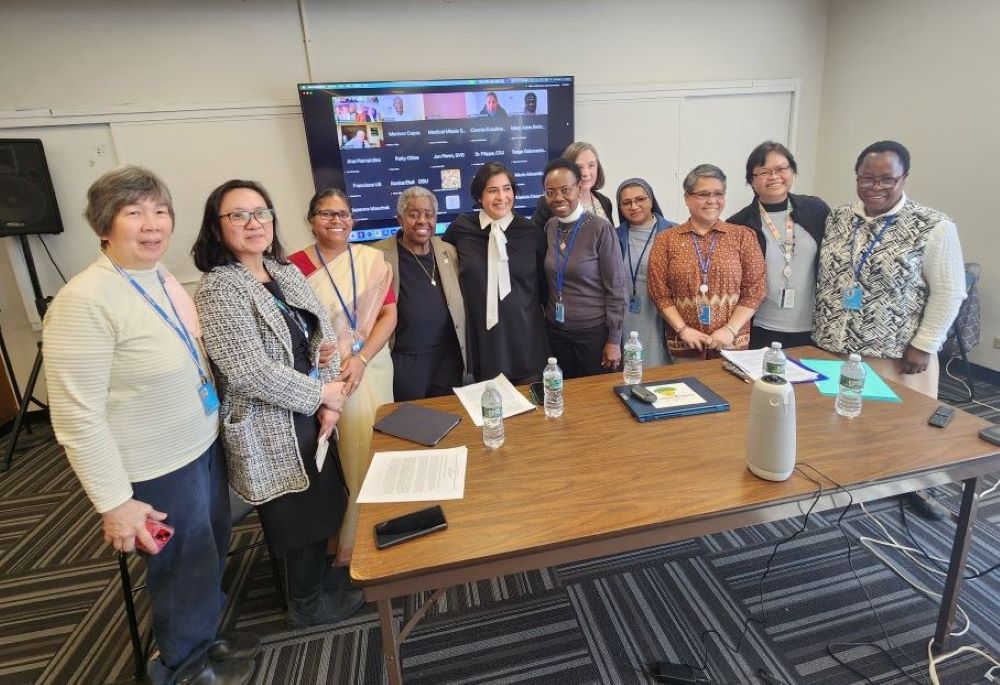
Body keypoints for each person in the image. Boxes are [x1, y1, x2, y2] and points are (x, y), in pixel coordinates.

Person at [44, 166, 258, 684]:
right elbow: (76, 416)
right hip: (156, 465)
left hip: (201, 445)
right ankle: (183, 668)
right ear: (104, 225)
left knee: (208, 547)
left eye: (160, 211)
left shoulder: (159, 277)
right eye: (134, 212)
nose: (152, 224)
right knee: (179, 565)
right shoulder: (84, 301)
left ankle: (205, 639)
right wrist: (114, 503)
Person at [192, 180, 364, 630]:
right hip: (271, 424)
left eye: (261, 212)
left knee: (324, 501)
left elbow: (322, 335)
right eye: (239, 215)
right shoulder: (218, 288)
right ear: (217, 227)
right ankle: (305, 604)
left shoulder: (281, 269)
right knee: (296, 515)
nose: (254, 223)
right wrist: (320, 395)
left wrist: (330, 400)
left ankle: (321, 580)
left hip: (313, 413)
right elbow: (248, 370)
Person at [288, 189, 396, 562]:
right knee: (339, 453)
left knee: (373, 444)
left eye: (343, 214)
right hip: (324, 374)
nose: (336, 221)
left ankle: (375, 527)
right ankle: (346, 536)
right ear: (311, 219)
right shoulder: (292, 267)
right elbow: (291, 328)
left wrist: (363, 358)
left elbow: (388, 315)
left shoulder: (371, 260)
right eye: (326, 214)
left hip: (371, 367)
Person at [813, 140, 965, 398]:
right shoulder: (838, 217)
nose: (875, 187)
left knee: (889, 432)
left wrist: (924, 345)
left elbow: (950, 292)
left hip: (895, 356)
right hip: (832, 347)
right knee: (833, 428)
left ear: (903, 177)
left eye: (887, 179)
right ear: (857, 177)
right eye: (867, 178)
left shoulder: (934, 225)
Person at [444, 162, 549, 383]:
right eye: (493, 190)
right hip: (484, 341)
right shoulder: (461, 228)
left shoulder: (531, 232)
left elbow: (544, 286)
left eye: (507, 188)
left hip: (526, 338)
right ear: (479, 196)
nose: (502, 197)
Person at [647, 164, 766, 359]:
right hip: (685, 345)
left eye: (718, 194)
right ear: (687, 198)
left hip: (732, 347)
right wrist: (683, 330)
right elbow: (659, 292)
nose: (712, 201)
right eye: (703, 194)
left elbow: (755, 289)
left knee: (728, 390)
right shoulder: (666, 239)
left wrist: (730, 329)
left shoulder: (742, 236)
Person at [728, 142, 830, 349]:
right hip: (760, 327)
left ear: (792, 171)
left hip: (812, 327)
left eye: (781, 169)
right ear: (751, 180)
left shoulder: (816, 210)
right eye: (764, 172)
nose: (774, 177)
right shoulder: (738, 224)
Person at [374, 186, 468, 400]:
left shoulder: (449, 251)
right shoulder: (378, 255)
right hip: (405, 359)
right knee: (410, 422)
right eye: (413, 214)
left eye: (429, 215)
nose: (422, 221)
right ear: (400, 219)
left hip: (447, 358)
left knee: (447, 419)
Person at [541, 158, 628, 378]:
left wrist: (614, 340)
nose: (557, 197)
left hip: (593, 334)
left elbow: (617, 288)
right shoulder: (551, 227)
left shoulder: (600, 229)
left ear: (579, 187)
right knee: (563, 395)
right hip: (556, 331)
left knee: (594, 400)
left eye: (565, 190)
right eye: (550, 192)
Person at [615, 178, 677, 368]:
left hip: (661, 313)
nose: (634, 206)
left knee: (659, 363)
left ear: (651, 200)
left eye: (640, 199)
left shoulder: (674, 232)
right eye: (626, 203)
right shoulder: (613, 235)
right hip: (625, 315)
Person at [532, 142, 615, 227]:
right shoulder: (547, 203)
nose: (585, 173)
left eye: (591, 165)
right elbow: (534, 237)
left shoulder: (605, 202)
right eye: (579, 167)